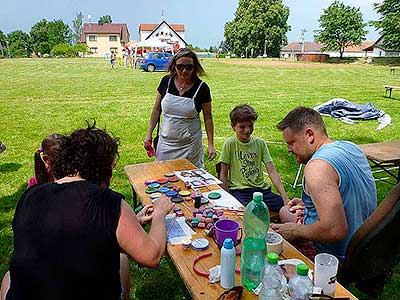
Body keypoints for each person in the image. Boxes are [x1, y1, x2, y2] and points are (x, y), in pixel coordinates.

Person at [1, 122, 173, 300]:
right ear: (104, 167)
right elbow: (151, 257)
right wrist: (160, 213)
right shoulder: (108, 202)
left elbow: (72, 235)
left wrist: (131, 222)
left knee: (8, 277)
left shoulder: (31, 194)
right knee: (121, 262)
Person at [271, 106, 377, 262]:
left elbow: (335, 230)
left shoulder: (317, 167)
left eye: (291, 143)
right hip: (366, 245)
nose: (289, 150)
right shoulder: (351, 147)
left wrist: (295, 231)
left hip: (335, 256)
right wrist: (312, 204)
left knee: (280, 230)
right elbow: (349, 193)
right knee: (285, 211)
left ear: (309, 135)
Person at [144, 48, 216, 168]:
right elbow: (156, 109)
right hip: (165, 143)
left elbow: (208, 117)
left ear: (195, 67)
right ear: (174, 66)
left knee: (190, 180)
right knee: (163, 176)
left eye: (189, 67)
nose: (184, 70)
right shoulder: (166, 82)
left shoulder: (202, 88)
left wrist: (211, 144)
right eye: (180, 66)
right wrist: (149, 134)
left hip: (190, 146)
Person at [218, 104, 288, 211]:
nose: (247, 130)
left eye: (250, 126)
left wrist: (285, 198)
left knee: (287, 208)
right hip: (240, 191)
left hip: (261, 191)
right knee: (248, 213)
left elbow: (272, 171)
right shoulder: (230, 144)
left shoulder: (260, 143)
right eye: (242, 127)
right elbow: (223, 174)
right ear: (233, 126)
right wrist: (227, 198)